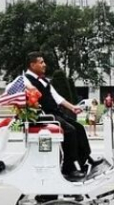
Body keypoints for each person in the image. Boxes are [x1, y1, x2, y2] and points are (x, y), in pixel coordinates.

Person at [22, 52, 102, 181]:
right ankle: (69, 168)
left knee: (79, 128)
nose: (44, 65)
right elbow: (29, 99)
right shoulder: (26, 81)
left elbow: (56, 96)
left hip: (54, 113)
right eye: (41, 62)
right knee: (69, 131)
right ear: (32, 64)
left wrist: (72, 107)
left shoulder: (42, 79)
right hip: (44, 115)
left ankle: (84, 159)